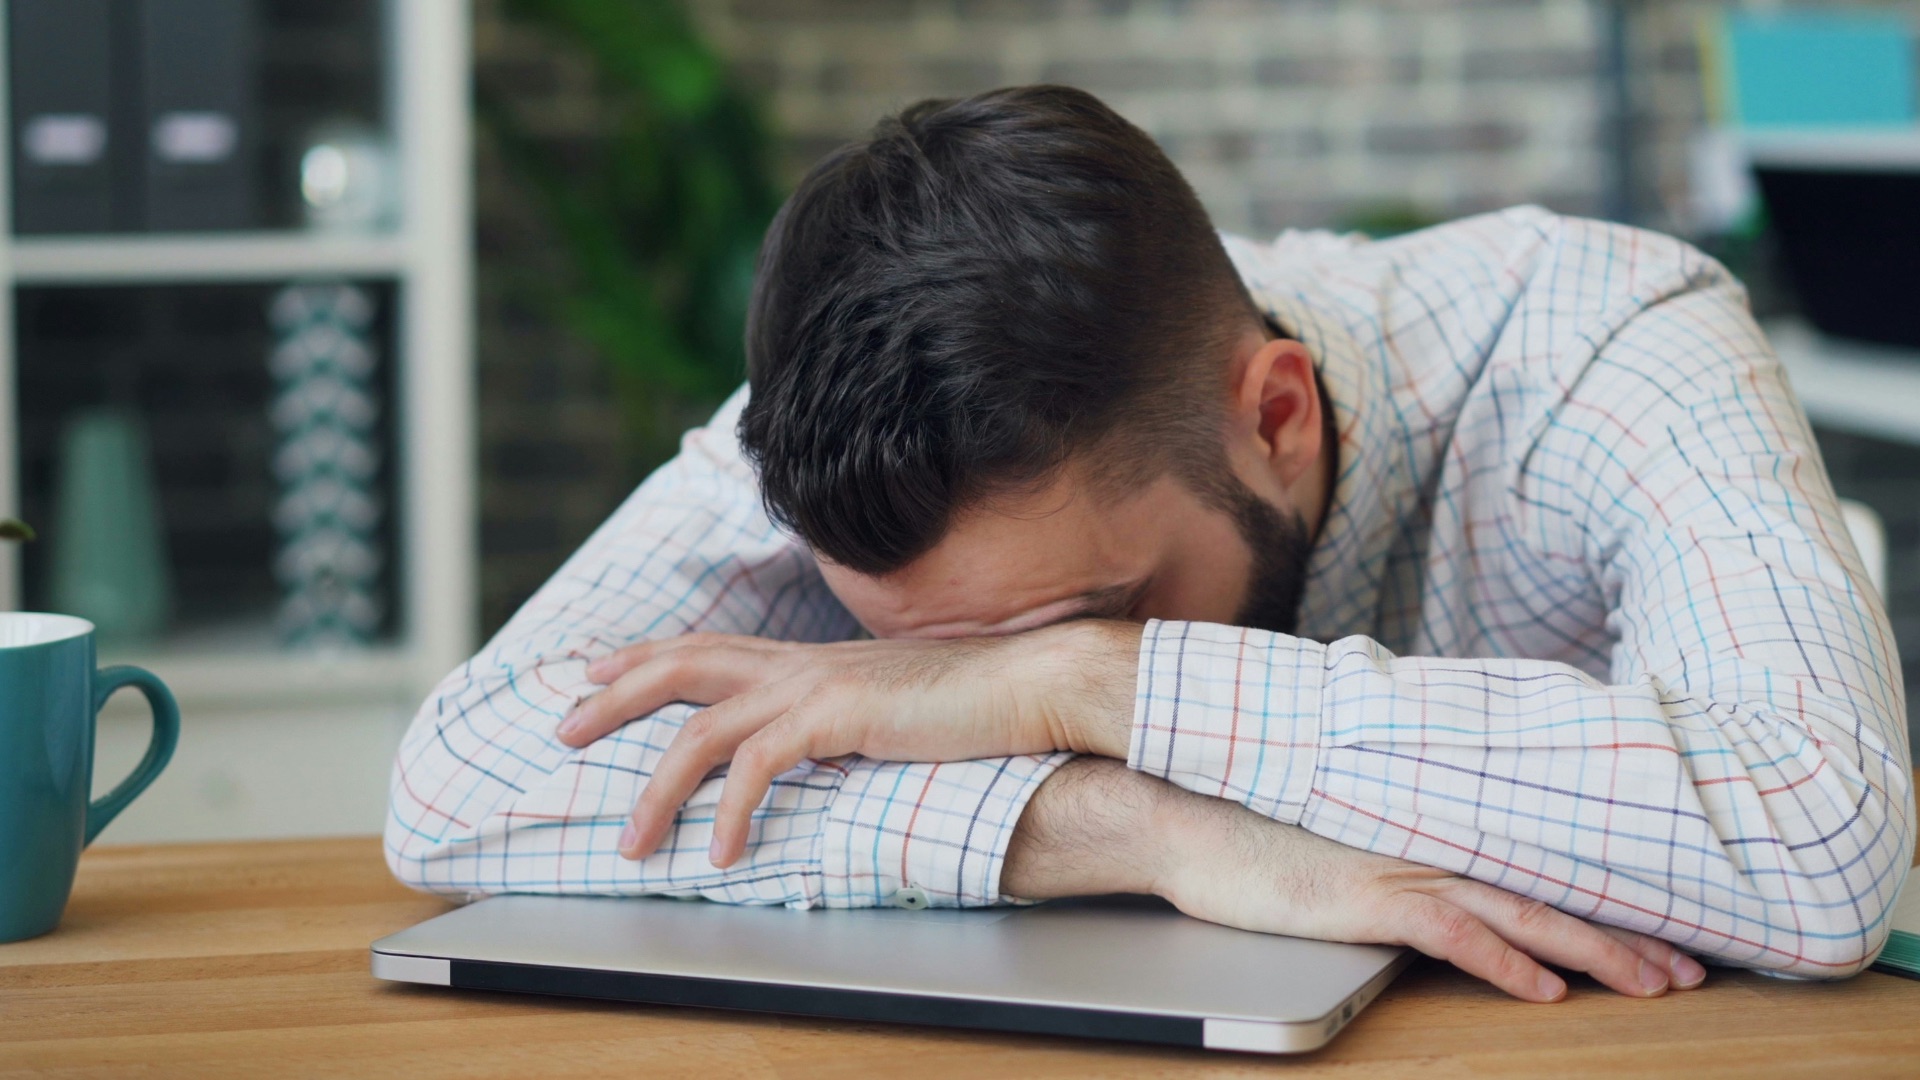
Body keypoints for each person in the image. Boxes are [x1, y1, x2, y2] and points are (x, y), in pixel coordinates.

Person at [386, 86, 1912, 1004]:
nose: (962, 690)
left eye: (1073, 614)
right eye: (929, 653)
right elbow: (458, 785)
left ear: (1278, 414)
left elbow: (1820, 837)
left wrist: (1086, 686)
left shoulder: (1609, 337)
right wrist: (1131, 829)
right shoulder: (843, 418)